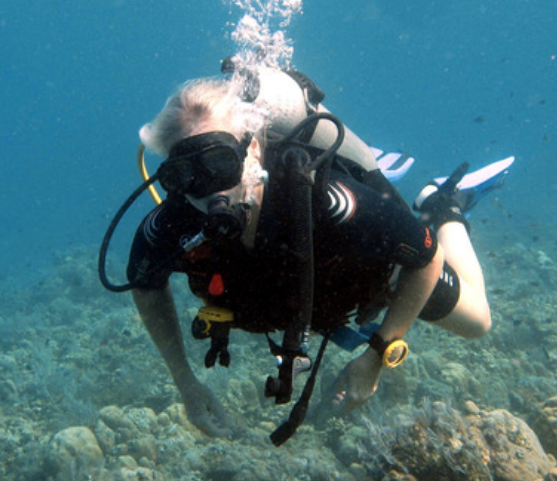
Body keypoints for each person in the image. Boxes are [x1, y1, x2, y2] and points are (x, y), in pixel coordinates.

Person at [123, 69, 509, 438]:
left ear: (253, 149)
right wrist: (185, 382)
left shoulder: (327, 200)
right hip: (312, 293)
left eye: (221, 164)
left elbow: (427, 257)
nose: (209, 192)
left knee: (478, 322)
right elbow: (144, 283)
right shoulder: (176, 221)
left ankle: (443, 204)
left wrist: (376, 356)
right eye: (185, 176)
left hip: (371, 268)